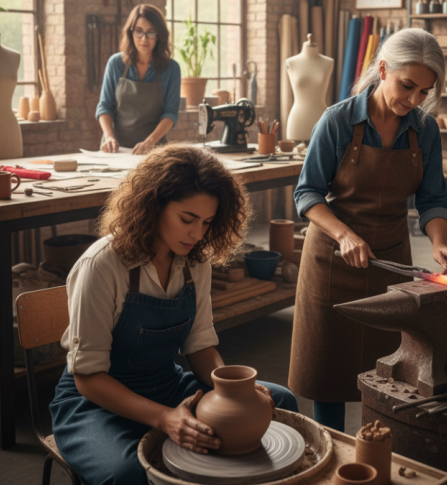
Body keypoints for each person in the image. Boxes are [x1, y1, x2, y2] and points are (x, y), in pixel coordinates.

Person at [50, 145, 298, 484]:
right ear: (153, 205)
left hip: (165, 384)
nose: (198, 234)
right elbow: (88, 379)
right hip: (94, 402)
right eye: (187, 219)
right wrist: (165, 418)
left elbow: (199, 347)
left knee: (279, 401)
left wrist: (235, 390)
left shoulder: (195, 261)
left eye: (207, 222)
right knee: (129, 474)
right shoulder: (102, 265)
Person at [288, 28, 447, 432]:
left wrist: (440, 241)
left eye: (424, 92)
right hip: (333, 258)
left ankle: (373, 453)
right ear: (383, 69)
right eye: (407, 86)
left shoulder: (425, 130)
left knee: (389, 375)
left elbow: (433, 200)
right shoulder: (338, 121)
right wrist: (345, 235)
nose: (414, 100)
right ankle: (331, 449)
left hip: (390, 261)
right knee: (327, 374)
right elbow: (307, 193)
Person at [96, 4, 180, 154]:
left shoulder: (171, 69)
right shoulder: (115, 63)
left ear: (159, 35)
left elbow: (170, 114)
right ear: (131, 32)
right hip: (115, 151)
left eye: (151, 33)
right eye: (138, 31)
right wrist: (109, 137)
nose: (144, 38)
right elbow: (104, 106)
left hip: (154, 151)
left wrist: (149, 142)